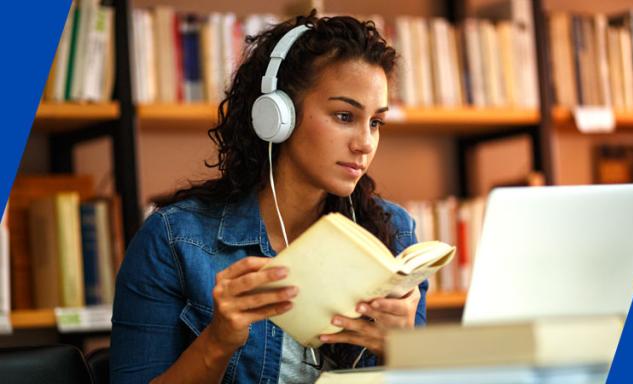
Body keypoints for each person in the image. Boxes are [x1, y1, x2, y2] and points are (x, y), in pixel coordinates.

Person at [110, 11, 428, 384]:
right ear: (278, 115)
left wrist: (402, 350)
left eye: (375, 123)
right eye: (344, 116)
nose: (365, 143)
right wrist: (217, 341)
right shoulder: (173, 240)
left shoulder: (394, 234)